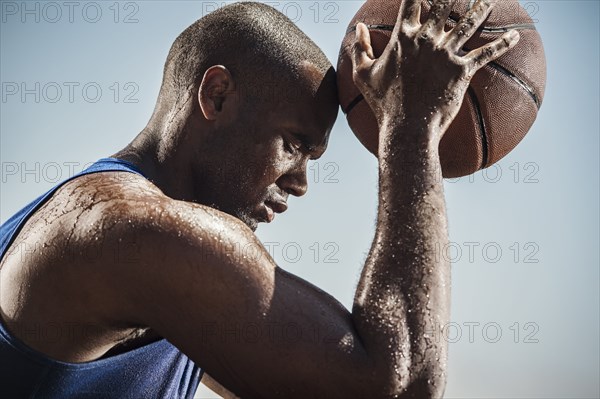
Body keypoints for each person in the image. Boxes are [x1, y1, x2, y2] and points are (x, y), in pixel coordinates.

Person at [0, 0, 519, 397]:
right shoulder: (134, 232)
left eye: (311, 159)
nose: (300, 184)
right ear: (216, 95)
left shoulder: (141, 249)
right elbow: (399, 383)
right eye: (292, 145)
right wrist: (411, 127)